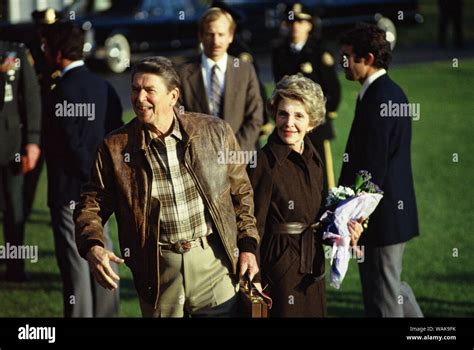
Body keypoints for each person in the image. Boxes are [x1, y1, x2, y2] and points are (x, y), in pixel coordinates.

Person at [74, 56, 260, 317]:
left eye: (150, 90)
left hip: (213, 264)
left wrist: (249, 247)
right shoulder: (115, 147)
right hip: (158, 272)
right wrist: (92, 244)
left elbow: (241, 194)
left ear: (173, 96)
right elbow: (91, 204)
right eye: (135, 89)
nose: (140, 98)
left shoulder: (215, 132)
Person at [247, 74, 363, 317]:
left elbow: (317, 216)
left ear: (312, 122)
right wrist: (254, 279)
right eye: (283, 114)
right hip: (278, 268)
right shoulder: (262, 163)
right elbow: (251, 224)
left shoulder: (314, 159)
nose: (289, 122)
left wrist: (343, 228)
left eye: (298, 115)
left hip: (312, 265)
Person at [339, 24, 423, 317]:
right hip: (389, 215)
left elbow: (372, 167)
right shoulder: (385, 92)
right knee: (392, 287)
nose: (344, 63)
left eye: (348, 57)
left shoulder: (379, 98)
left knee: (382, 298)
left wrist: (357, 217)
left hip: (379, 219)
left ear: (369, 58)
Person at [42, 21, 123, 317]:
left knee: (77, 269)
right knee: (104, 259)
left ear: (58, 51)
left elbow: (67, 144)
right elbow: (116, 139)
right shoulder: (105, 87)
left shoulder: (58, 91)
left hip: (70, 193)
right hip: (101, 194)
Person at [272, 3, 341, 192]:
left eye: (301, 22)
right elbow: (279, 88)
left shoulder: (319, 52)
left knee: (322, 176)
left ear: (309, 25)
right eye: (292, 21)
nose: (296, 26)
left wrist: (320, 117)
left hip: (315, 127)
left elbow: (333, 90)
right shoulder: (279, 52)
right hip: (289, 126)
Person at [177, 7, 263, 152]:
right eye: (210, 34)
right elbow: (178, 118)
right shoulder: (182, 73)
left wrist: (233, 153)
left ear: (230, 36)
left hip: (239, 160)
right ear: (200, 36)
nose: (215, 41)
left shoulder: (245, 70)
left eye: (221, 34)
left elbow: (255, 118)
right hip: (198, 158)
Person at [0, 39, 41, 282]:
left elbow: (32, 98)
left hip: (10, 145)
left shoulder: (15, 52)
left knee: (15, 209)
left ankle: (15, 267)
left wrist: (33, 141)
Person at [23, 8, 62, 219]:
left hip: (57, 115)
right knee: (32, 170)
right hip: (38, 115)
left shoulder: (60, 47)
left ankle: (62, 209)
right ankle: (24, 208)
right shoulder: (30, 49)